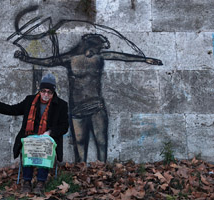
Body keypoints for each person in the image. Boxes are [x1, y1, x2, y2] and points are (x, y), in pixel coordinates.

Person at [14, 33, 163, 163]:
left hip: (96, 105)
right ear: (88, 46)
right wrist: (26, 58)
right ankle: (81, 169)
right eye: (96, 48)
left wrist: (145, 59)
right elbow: (48, 61)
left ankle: (102, 171)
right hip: (77, 107)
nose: (97, 51)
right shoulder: (70, 58)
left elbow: (120, 56)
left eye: (98, 49)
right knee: (79, 141)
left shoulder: (100, 57)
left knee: (102, 141)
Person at [0, 73, 69, 194]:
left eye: (49, 92)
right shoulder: (30, 100)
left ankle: (40, 182)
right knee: (28, 147)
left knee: (45, 149)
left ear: (53, 92)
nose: (46, 94)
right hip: (30, 136)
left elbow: (64, 126)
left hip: (47, 138)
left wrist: (49, 132)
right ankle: (27, 182)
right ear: (40, 90)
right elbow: (13, 109)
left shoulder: (61, 105)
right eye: (43, 91)